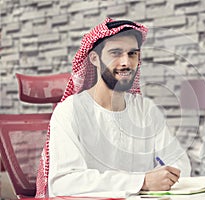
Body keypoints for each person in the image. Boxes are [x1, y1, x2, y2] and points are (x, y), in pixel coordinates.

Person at [35, 17, 191, 198]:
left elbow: (180, 162)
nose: (126, 62)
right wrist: (142, 181)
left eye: (132, 53)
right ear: (94, 58)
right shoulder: (70, 111)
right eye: (116, 53)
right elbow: (63, 182)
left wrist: (163, 176)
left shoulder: (145, 109)